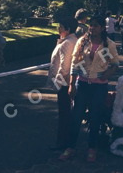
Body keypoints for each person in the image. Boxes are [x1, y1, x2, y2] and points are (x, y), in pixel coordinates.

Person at [59, 15, 120, 163]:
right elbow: (75, 63)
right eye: (91, 25)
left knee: (95, 117)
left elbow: (115, 63)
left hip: (99, 85)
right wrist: (72, 84)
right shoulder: (82, 41)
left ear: (102, 28)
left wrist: (108, 74)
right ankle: (71, 147)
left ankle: (92, 148)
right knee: (76, 116)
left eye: (95, 26)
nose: (92, 28)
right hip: (82, 84)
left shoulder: (109, 44)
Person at [47, 17, 79, 151]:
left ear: (68, 29)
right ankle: (65, 139)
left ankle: (62, 141)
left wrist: (57, 84)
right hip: (65, 83)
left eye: (61, 26)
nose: (58, 29)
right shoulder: (70, 41)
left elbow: (65, 67)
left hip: (64, 84)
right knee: (65, 113)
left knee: (64, 114)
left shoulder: (67, 43)